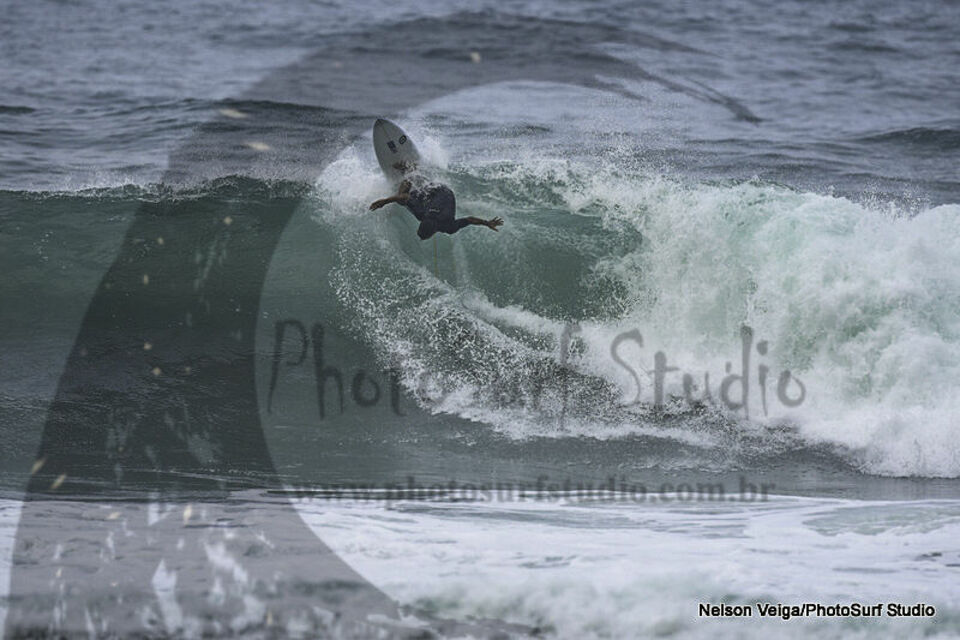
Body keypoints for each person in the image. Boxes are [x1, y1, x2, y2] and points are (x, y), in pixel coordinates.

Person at [369, 168, 503, 240]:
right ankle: (409, 171)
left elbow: (470, 220)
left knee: (414, 197)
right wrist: (384, 201)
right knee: (403, 199)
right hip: (440, 191)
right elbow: (403, 197)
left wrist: (487, 223)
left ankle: (414, 179)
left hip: (447, 192)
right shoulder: (423, 214)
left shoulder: (449, 227)